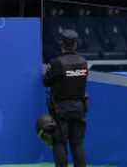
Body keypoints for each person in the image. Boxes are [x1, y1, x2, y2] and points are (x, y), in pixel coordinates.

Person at [43, 29, 89, 167]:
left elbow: (46, 81)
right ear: (75, 45)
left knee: (59, 142)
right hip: (79, 107)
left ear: (61, 44)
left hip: (61, 109)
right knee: (77, 142)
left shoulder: (56, 63)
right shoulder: (83, 61)